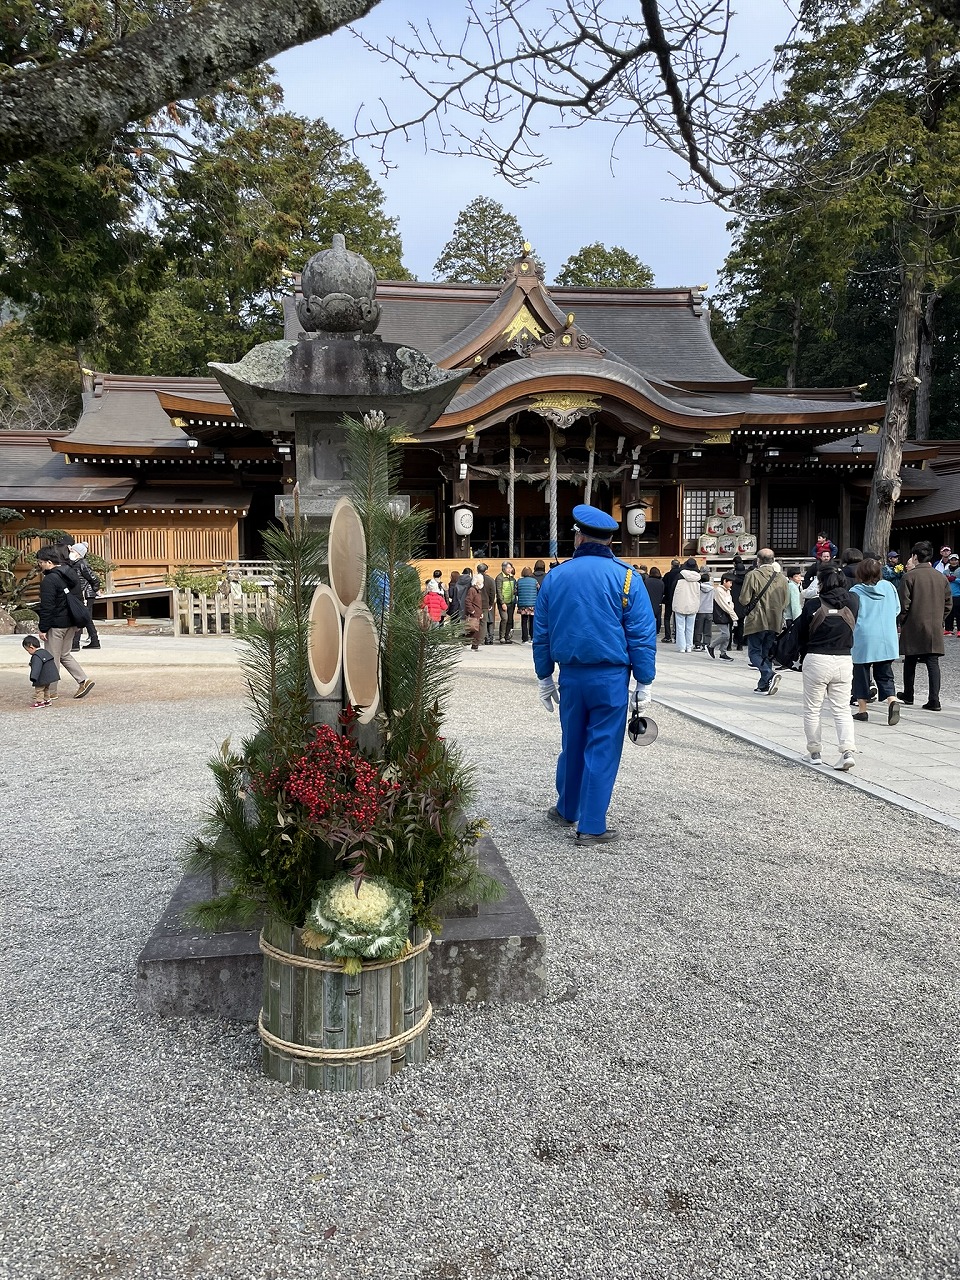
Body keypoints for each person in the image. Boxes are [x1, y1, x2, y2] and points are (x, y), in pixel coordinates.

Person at [533, 504, 656, 846]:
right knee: (602, 747)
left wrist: (544, 676)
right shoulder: (628, 576)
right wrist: (644, 680)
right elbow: (642, 634)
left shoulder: (556, 577)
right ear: (611, 541)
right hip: (611, 677)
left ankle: (566, 807)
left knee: (572, 743)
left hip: (570, 676)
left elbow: (541, 633)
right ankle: (591, 825)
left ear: (579, 537)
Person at [798, 564, 859, 769]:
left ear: (820, 582)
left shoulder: (812, 605)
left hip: (817, 658)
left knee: (813, 709)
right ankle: (847, 751)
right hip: (843, 659)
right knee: (842, 709)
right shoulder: (854, 602)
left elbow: (802, 634)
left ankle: (814, 752)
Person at [897, 540, 952, 711]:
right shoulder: (941, 577)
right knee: (932, 661)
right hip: (934, 625)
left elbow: (903, 604)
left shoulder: (909, 576)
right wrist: (939, 618)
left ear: (915, 556)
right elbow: (948, 604)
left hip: (914, 623)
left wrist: (902, 620)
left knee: (910, 659)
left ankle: (908, 694)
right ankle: (934, 700)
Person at [35, 545, 95, 700]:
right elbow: (78, 599)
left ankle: (51, 691)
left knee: (52, 657)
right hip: (72, 623)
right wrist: (78, 623)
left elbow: (47, 607)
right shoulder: (71, 574)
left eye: (40, 562)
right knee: (64, 654)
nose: (39, 565)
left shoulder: (49, 580)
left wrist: (42, 628)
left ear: (48, 562)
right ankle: (83, 680)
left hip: (56, 625)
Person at [850, 558, 901, 725]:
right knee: (885, 672)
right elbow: (897, 609)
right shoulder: (889, 587)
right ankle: (892, 699)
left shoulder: (855, 591)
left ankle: (862, 710)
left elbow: (851, 615)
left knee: (861, 673)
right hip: (886, 635)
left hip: (863, 635)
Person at [739, 549, 789, 695]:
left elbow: (744, 599)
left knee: (754, 653)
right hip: (775, 620)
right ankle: (763, 685)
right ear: (773, 560)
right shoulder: (781, 578)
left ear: (758, 560)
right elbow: (785, 601)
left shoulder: (753, 575)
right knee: (765, 653)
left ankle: (769, 674)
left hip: (757, 619)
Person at [66, 541, 101, 650]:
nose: (70, 552)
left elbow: (94, 579)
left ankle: (75, 643)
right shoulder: (75, 563)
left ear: (78, 553)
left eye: (72, 551)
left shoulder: (82, 563)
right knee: (87, 618)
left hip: (85, 594)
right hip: (83, 593)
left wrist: (93, 590)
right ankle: (95, 641)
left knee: (79, 616)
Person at [670, 558, 701, 653]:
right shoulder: (698, 578)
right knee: (690, 627)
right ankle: (689, 646)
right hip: (693, 604)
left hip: (680, 603)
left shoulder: (679, 576)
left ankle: (682, 647)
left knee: (680, 627)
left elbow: (672, 590)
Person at [22, 634, 58, 708]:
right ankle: (47, 700)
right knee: (46, 688)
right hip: (49, 677)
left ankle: (40, 702)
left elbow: (36, 668)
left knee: (39, 690)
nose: (28, 652)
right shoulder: (45, 652)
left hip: (41, 677)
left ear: (31, 647)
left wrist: (33, 677)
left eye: (27, 650)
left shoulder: (36, 656)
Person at [709, 571, 737, 660]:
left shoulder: (728, 591)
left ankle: (723, 652)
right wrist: (734, 616)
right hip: (721, 615)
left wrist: (732, 613)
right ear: (724, 581)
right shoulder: (719, 590)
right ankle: (711, 646)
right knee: (726, 634)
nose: (731, 585)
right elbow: (724, 605)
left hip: (727, 615)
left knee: (727, 634)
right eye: (730, 582)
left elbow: (730, 603)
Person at [660, 558, 682, 643]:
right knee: (678, 618)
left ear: (672, 565)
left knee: (667, 618)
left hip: (669, 599)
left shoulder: (667, 575)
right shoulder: (681, 575)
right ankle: (677, 636)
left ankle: (668, 636)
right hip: (679, 599)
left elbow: (664, 587)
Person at [495, 561, 517, 643]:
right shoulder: (500, 578)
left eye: (510, 568)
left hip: (511, 601)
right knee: (505, 618)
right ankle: (502, 636)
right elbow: (499, 591)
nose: (509, 570)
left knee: (510, 620)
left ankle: (507, 636)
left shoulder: (512, 578)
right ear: (503, 568)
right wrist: (502, 602)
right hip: (503, 602)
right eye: (508, 568)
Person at [515, 566, 538, 642]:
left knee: (524, 621)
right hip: (532, 604)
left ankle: (524, 638)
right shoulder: (534, 581)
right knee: (532, 621)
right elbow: (539, 589)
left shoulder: (519, 581)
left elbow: (515, 592)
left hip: (523, 604)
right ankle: (532, 637)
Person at [462, 574, 485, 650]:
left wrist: (480, 612)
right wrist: (472, 611)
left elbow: (478, 603)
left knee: (475, 630)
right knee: (473, 629)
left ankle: (474, 644)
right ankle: (470, 643)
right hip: (474, 614)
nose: (482, 583)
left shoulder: (478, 591)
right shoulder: (472, 590)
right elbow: (468, 601)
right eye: (480, 582)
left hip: (477, 613)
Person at [476, 562, 497, 645]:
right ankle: (482, 639)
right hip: (485, 603)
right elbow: (493, 593)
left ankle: (477, 638)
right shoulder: (491, 580)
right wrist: (491, 604)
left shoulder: (475, 579)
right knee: (483, 622)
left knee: (477, 621)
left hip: (476, 602)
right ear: (486, 571)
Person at [693, 570, 714, 651]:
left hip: (700, 610)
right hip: (709, 610)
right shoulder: (712, 588)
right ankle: (706, 644)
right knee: (708, 630)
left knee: (698, 629)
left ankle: (697, 644)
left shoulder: (698, 587)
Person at [643, 565, 664, 635]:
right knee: (658, 617)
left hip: (648, 601)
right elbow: (663, 592)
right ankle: (657, 630)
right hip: (658, 602)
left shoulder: (646, 581)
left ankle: (648, 630)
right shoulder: (661, 582)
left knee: (648, 617)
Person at [944, 554, 960, 635]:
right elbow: (942, 581)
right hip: (948, 595)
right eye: (952, 560)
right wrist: (946, 579)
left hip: (958, 595)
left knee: (958, 613)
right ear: (949, 561)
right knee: (948, 612)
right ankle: (948, 629)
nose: (954, 562)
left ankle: (959, 630)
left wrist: (955, 579)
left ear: (958, 561)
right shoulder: (945, 571)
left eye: (955, 560)